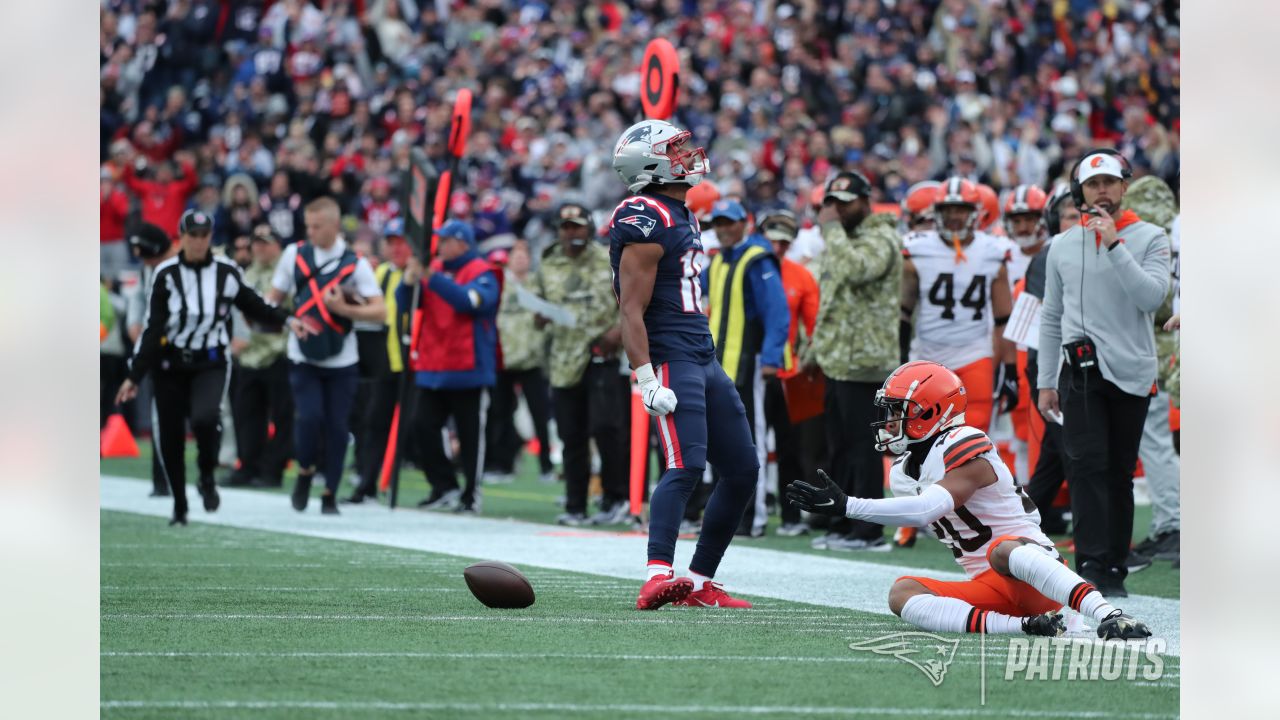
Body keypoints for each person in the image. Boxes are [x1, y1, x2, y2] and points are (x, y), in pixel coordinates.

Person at [786, 361, 1151, 640]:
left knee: (1002, 551)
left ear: (930, 412)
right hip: (990, 587)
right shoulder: (902, 473)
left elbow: (929, 507)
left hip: (1034, 574)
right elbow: (916, 509)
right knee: (902, 593)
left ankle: (1107, 613)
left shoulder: (965, 440)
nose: (889, 421)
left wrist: (849, 505)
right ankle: (1026, 626)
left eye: (898, 411)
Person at [610, 118, 757, 609]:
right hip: (672, 356)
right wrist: (646, 379)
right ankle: (656, 574)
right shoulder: (644, 214)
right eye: (676, 149)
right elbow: (630, 308)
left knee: (741, 469)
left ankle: (697, 581)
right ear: (650, 162)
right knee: (686, 463)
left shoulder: (680, 210)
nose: (688, 154)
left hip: (703, 353)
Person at [1037, 150, 1172, 597]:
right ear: (1079, 192)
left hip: (1132, 371)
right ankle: (1091, 565)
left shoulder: (1151, 237)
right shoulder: (1060, 244)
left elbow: (1152, 298)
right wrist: (1044, 380)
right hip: (1079, 372)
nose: (1102, 192)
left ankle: (1114, 564)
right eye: (1093, 185)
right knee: (1085, 465)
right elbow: (1051, 315)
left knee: (1117, 471)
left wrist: (1114, 243)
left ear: (1124, 187)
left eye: (1110, 183)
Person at [116, 210, 305, 525]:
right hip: (170, 363)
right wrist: (135, 375)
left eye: (205, 236)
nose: (200, 242)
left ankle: (206, 474)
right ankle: (179, 502)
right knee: (171, 434)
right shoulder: (166, 274)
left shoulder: (226, 272)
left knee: (205, 418)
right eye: (193, 235)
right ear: (182, 236)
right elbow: (153, 328)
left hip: (210, 361)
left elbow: (253, 304)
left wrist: (287, 319)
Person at [265, 197, 387, 516]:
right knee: (308, 417)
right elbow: (272, 301)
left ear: (334, 226)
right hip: (303, 355)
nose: (311, 231)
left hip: (342, 359)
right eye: (308, 225)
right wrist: (286, 319)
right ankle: (305, 471)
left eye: (317, 226)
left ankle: (330, 491)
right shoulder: (294, 255)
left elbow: (380, 310)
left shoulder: (355, 263)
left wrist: (342, 308)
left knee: (337, 426)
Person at [808, 171, 902, 552]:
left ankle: (870, 531)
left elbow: (856, 270)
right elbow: (831, 301)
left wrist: (831, 231)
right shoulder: (846, 240)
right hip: (839, 358)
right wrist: (816, 349)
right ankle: (845, 524)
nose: (838, 210)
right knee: (842, 447)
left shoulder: (881, 238)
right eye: (833, 202)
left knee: (863, 451)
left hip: (867, 360)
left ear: (867, 201)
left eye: (846, 202)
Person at [534, 203, 630, 526]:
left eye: (577, 226)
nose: (572, 233)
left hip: (600, 352)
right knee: (571, 436)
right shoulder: (547, 263)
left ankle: (615, 498)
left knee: (606, 428)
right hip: (563, 358)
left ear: (589, 228)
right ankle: (576, 505)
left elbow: (631, 298)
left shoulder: (608, 258)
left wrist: (621, 329)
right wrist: (538, 314)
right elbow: (536, 306)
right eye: (566, 227)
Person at [399, 219, 501, 515]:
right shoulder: (435, 272)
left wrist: (431, 276)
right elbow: (404, 305)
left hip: (468, 368)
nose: (439, 246)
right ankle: (443, 485)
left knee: (471, 438)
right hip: (433, 366)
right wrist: (408, 281)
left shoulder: (483, 272)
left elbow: (467, 302)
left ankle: (471, 495)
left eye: (445, 241)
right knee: (422, 427)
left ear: (461, 243)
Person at [901, 177, 1018, 434]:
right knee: (921, 435)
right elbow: (903, 314)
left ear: (974, 213)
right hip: (926, 355)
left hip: (974, 354)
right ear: (937, 213)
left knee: (973, 436)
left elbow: (1003, 319)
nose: (954, 216)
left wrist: (1010, 369)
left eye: (961, 210)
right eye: (948, 210)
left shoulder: (992, 250)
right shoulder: (916, 249)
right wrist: (900, 359)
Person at [703, 198, 790, 538]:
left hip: (749, 362)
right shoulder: (718, 262)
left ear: (745, 224)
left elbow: (777, 313)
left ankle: (753, 516)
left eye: (729, 222)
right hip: (719, 364)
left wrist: (770, 359)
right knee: (722, 440)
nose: (723, 228)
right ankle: (727, 514)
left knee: (751, 436)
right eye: (718, 223)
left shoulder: (756, 259)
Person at [1120, 176, 1181, 565]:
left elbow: (1152, 299)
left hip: (1158, 347)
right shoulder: (1180, 229)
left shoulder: (1146, 235)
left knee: (1155, 439)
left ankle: (1171, 524)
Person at [757, 210, 824, 537]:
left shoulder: (801, 276)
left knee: (792, 448)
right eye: (773, 240)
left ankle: (791, 515)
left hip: (790, 373)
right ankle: (746, 513)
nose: (779, 247)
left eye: (785, 241)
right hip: (752, 370)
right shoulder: (748, 269)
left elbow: (813, 328)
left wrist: (808, 362)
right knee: (747, 444)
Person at [1020, 185, 1079, 536]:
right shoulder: (1050, 254)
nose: (1076, 220)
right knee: (1072, 450)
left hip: (1058, 359)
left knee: (1055, 457)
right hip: (1050, 361)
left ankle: (1022, 521)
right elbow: (1045, 317)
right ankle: (1089, 530)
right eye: (1069, 213)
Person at [346, 218, 414, 503]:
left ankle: (444, 484)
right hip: (386, 363)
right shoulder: (382, 272)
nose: (395, 247)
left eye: (401, 241)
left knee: (421, 425)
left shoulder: (418, 274)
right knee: (374, 423)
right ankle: (367, 485)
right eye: (390, 241)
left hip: (415, 364)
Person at [227, 225, 294, 489]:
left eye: (266, 242)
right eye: (256, 243)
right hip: (248, 355)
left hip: (278, 351)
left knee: (281, 416)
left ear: (278, 245)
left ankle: (272, 470)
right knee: (246, 415)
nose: (260, 248)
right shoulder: (247, 274)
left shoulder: (286, 273)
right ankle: (247, 465)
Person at [487, 238, 555, 486]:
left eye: (524, 256)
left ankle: (546, 465)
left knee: (540, 414)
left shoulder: (538, 284)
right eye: (516, 255)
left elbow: (549, 316)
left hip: (531, 358)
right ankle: (502, 464)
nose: (521, 260)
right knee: (500, 413)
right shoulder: (499, 282)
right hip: (503, 358)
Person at [124, 221, 179, 498]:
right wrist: (135, 326)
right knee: (162, 416)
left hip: (192, 350)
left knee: (205, 415)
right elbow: (137, 301)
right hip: (160, 351)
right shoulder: (149, 269)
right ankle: (162, 479)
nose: (145, 261)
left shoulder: (185, 266)